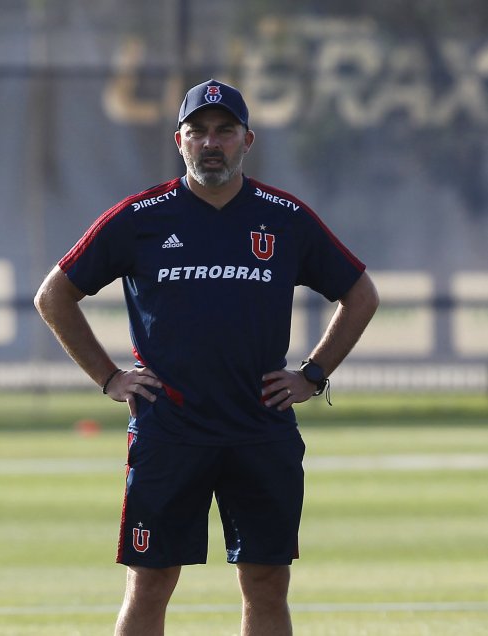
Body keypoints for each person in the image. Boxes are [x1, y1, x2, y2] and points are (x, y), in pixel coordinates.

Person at [33, 79, 379, 636]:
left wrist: (313, 375)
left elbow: (360, 294)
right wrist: (109, 377)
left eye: (224, 131)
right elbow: (54, 295)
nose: (210, 142)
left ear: (248, 139)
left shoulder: (283, 217)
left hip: (258, 429)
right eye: (198, 132)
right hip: (169, 430)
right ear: (179, 141)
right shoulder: (140, 216)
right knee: (149, 583)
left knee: (265, 584)